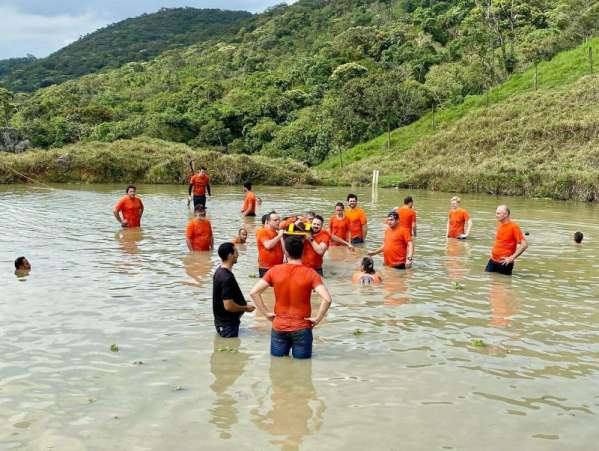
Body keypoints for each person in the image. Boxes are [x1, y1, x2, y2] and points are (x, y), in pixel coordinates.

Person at [250, 236, 332, 359]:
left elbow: (254, 292)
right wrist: (317, 319)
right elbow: (327, 299)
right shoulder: (311, 273)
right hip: (302, 327)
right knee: (303, 370)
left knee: (277, 367)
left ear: (285, 252)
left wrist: (266, 313)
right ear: (303, 252)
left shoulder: (274, 271)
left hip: (279, 326)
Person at [212, 242, 256, 338]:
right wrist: (245, 308)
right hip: (227, 326)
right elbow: (228, 306)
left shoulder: (219, 271)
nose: (238, 255)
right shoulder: (226, 277)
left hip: (223, 323)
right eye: (236, 252)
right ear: (229, 255)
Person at [485, 205, 528, 276]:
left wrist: (512, 258)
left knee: (503, 284)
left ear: (506, 214)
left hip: (504, 262)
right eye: (496, 213)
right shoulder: (500, 224)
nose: (496, 215)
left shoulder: (514, 226)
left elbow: (524, 244)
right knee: (489, 280)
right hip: (493, 260)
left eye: (498, 213)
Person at [256, 211, 284, 277]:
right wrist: (279, 236)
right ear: (268, 221)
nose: (278, 222)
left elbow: (284, 251)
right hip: (266, 268)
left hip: (278, 267)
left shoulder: (277, 233)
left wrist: (282, 236)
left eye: (279, 220)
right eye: (275, 220)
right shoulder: (262, 231)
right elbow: (268, 245)